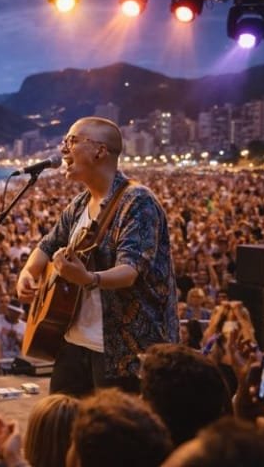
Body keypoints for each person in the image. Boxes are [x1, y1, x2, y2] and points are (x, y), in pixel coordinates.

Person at [18, 117, 178, 395]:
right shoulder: (79, 203)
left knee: (112, 433)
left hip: (121, 350)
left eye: (71, 141)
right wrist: (28, 273)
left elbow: (130, 270)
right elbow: (47, 245)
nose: (63, 150)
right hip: (73, 341)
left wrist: (88, 278)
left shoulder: (137, 201)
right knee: (62, 427)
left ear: (100, 151)